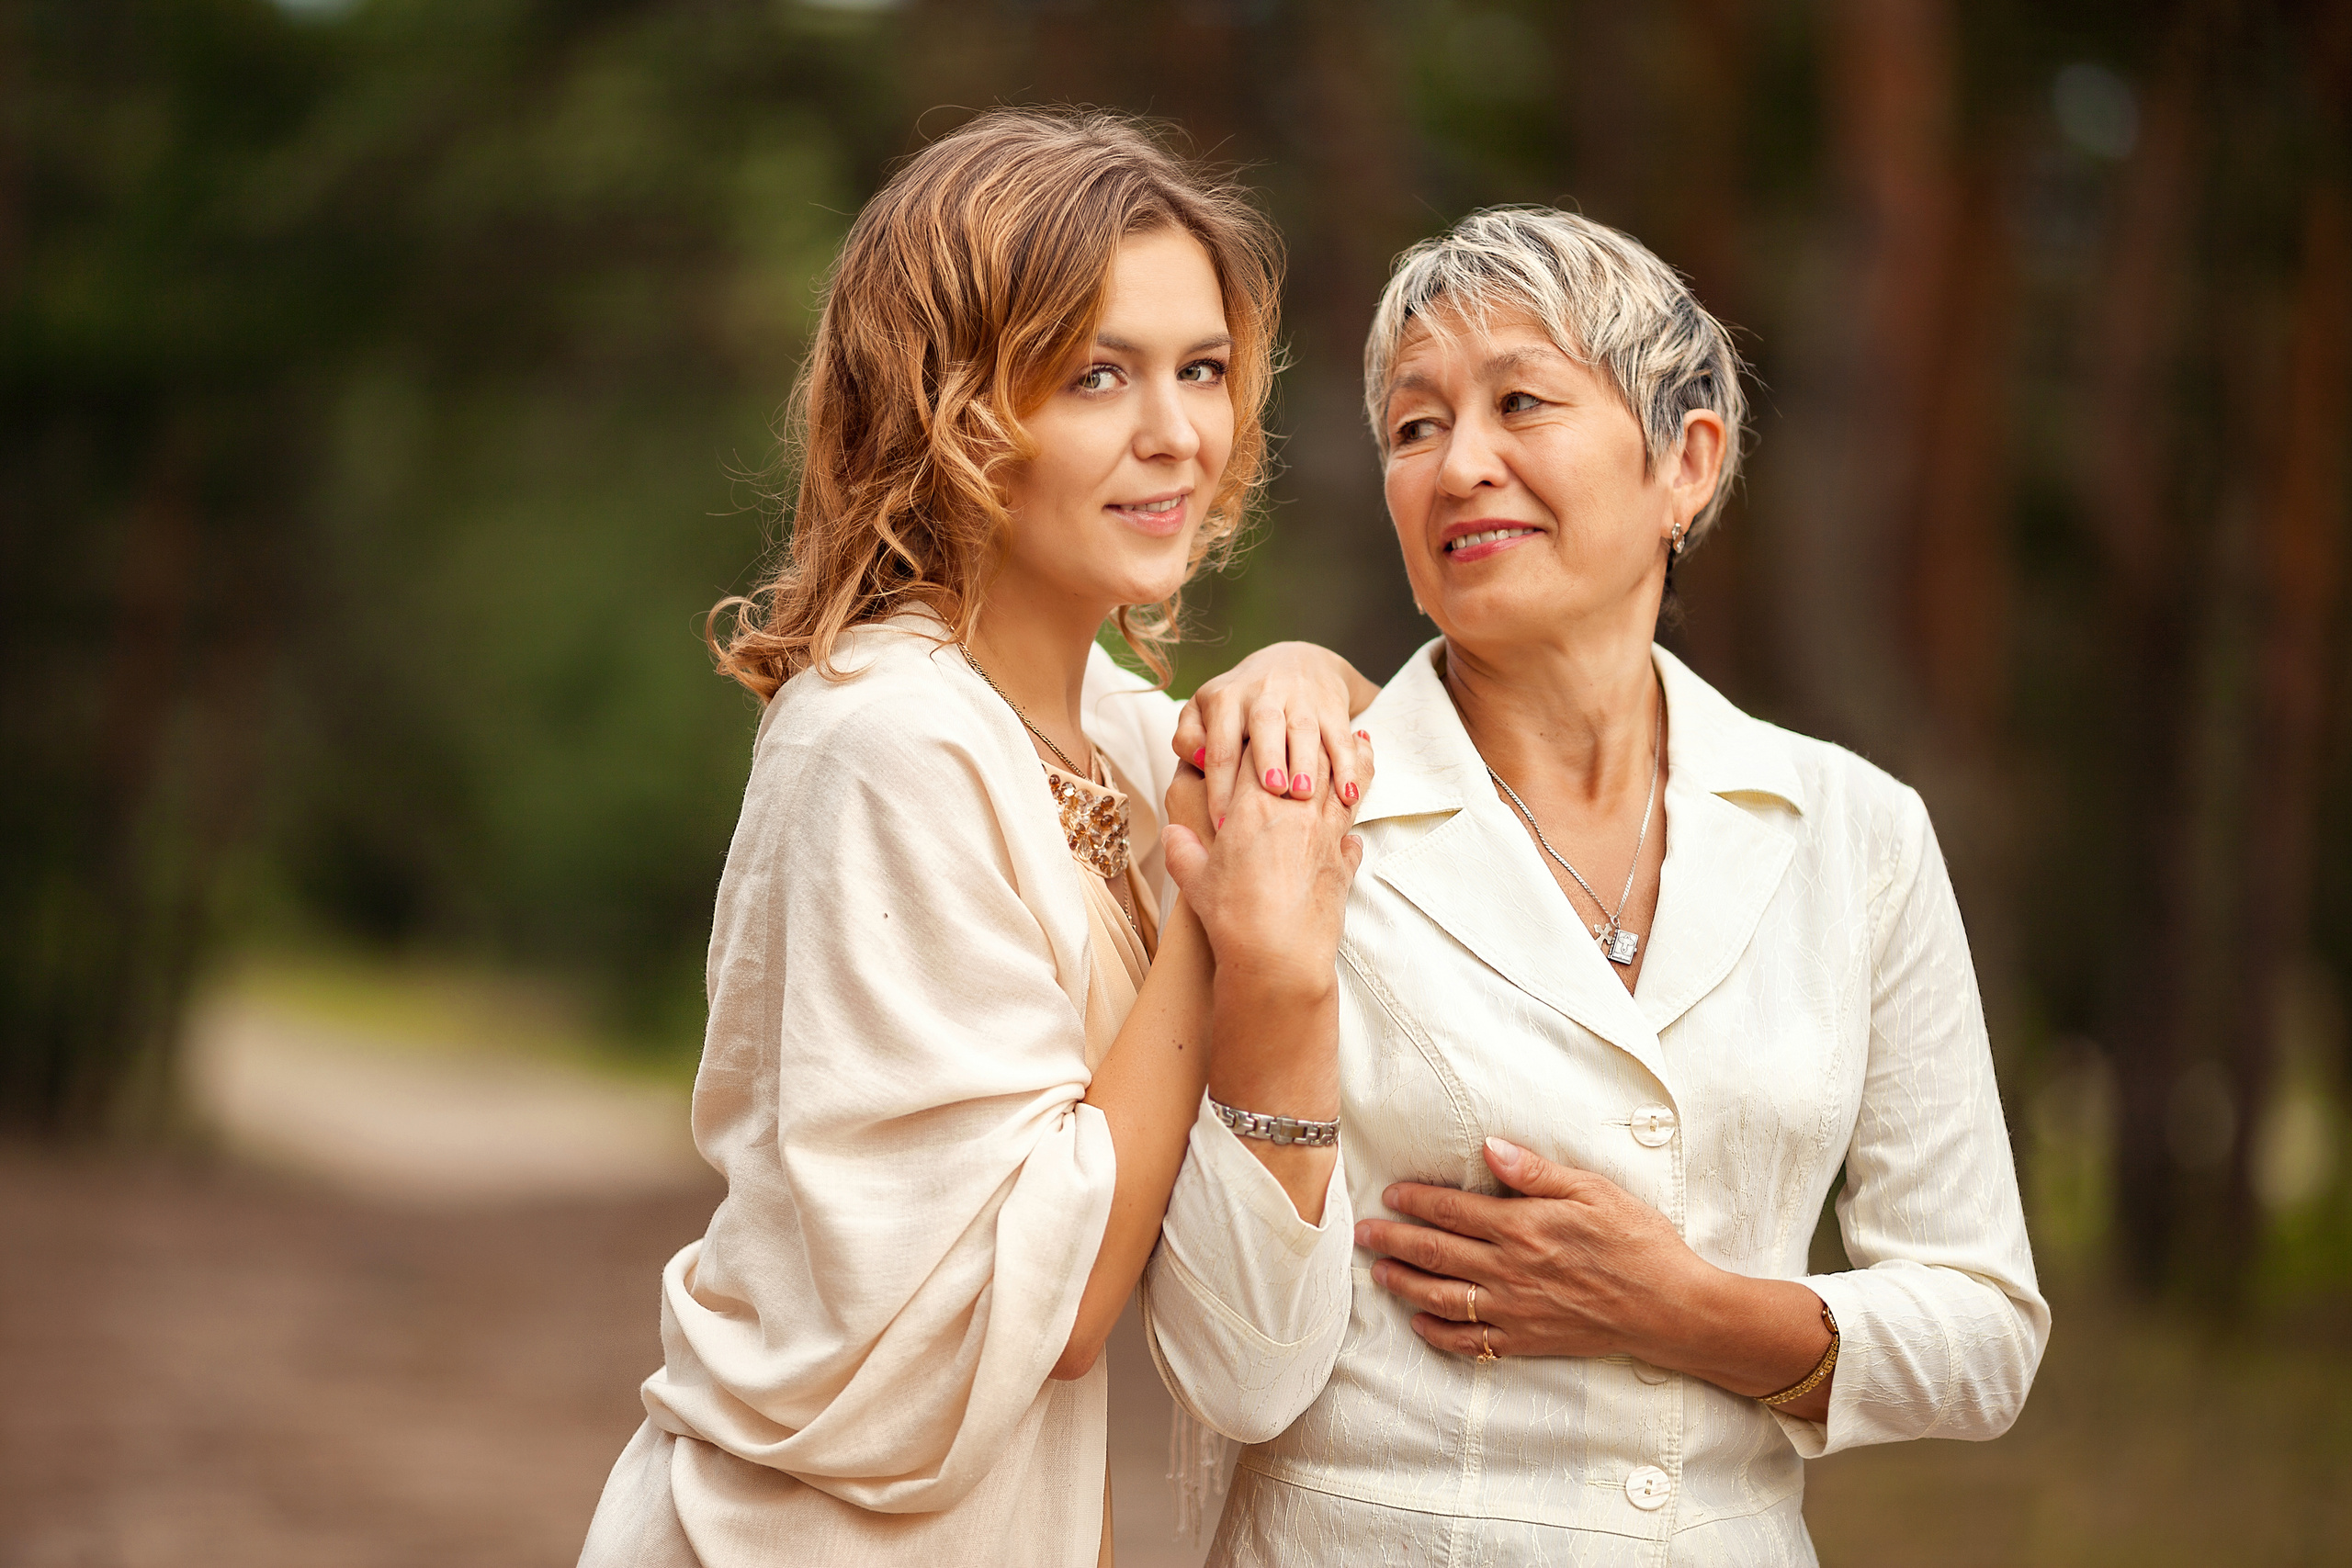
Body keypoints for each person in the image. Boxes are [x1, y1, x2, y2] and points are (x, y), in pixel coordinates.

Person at [1142, 207, 2051, 1564]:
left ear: (1686, 463)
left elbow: (1984, 1335)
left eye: (1521, 402)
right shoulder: (1292, 802)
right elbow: (1232, 1377)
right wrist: (1275, 970)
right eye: (1415, 426)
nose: (1462, 465)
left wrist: (1681, 1308)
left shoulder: (1856, 831)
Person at [575, 109, 1374, 1568]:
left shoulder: (1114, 731)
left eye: (1202, 370)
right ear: (951, 408)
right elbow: (1052, 1307)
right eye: (1097, 375)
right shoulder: (887, 738)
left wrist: (1306, 672)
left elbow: (1379, 778)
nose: (1177, 434)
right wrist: (1216, 914)